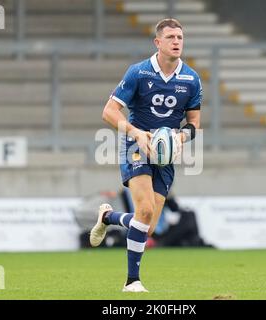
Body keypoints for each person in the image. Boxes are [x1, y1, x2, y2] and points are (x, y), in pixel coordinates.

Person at [90, 18, 202, 292]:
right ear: (158, 42)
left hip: (165, 155)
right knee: (145, 210)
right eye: (171, 37)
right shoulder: (139, 73)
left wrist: (181, 136)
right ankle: (132, 282)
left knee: (148, 227)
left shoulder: (191, 79)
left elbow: (194, 124)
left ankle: (108, 218)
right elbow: (108, 112)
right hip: (136, 147)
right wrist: (136, 133)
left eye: (180, 37)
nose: (177, 42)